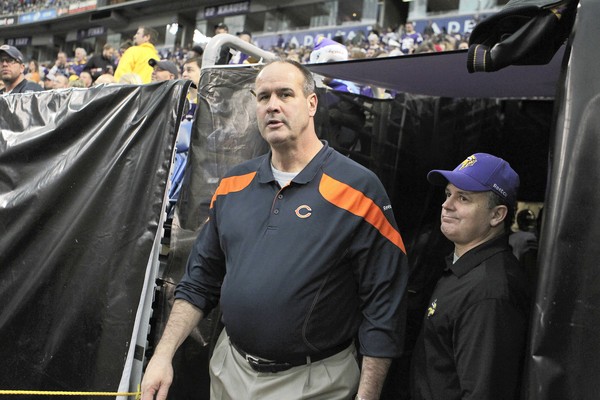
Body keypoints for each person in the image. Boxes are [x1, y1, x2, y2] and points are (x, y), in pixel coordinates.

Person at [141, 59, 409, 400]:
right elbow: (199, 280)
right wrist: (162, 355)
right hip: (230, 370)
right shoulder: (233, 184)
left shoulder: (359, 189)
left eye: (285, 94)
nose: (272, 105)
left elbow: (384, 307)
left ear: (312, 103)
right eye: (263, 96)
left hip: (315, 382)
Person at [411, 153, 530, 400]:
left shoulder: (489, 292)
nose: (447, 205)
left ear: (496, 215)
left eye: (463, 198)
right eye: (448, 194)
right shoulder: (464, 269)